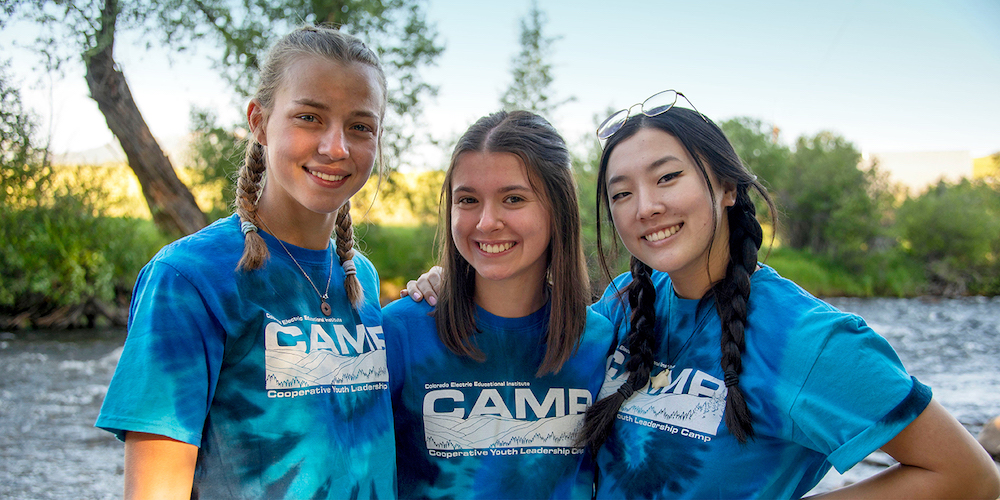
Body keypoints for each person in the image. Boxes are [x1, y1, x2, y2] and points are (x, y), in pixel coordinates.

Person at [403, 91, 1000, 499]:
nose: (647, 207)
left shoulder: (808, 340)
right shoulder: (627, 306)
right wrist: (449, 282)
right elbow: (534, 325)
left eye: (667, 178)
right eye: (620, 192)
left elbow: (969, 476)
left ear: (725, 186)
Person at [95, 26, 395, 499]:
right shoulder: (188, 279)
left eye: (360, 126)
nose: (336, 147)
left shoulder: (364, 280)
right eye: (310, 117)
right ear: (259, 121)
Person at [383, 110, 615, 499]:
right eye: (468, 199)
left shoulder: (600, 342)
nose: (487, 222)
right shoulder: (400, 333)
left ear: (558, 208)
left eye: (513, 198)